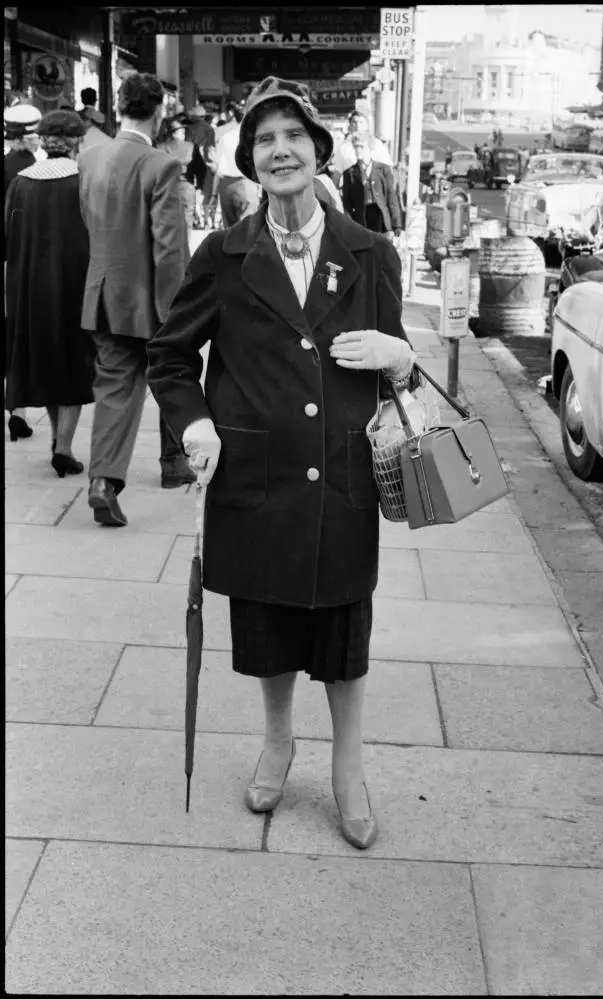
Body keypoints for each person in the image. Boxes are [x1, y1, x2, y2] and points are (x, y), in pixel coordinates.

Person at [146, 75, 418, 851]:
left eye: (293, 136)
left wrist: (398, 356)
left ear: (319, 150)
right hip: (256, 480)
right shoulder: (224, 256)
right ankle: (276, 742)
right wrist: (195, 424)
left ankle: (348, 767)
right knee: (263, 626)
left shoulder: (369, 253)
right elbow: (169, 357)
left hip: (341, 478)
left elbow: (405, 370)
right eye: (263, 141)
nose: (280, 151)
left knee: (342, 631)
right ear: (248, 162)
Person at [78, 72, 194, 527]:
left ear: (118, 106)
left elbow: (89, 222)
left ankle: (102, 480)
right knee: (173, 375)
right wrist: (176, 310)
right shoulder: (159, 164)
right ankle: (175, 463)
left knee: (113, 388)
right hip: (146, 300)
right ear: (160, 111)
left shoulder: (90, 158)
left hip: (101, 291)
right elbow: (169, 247)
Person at [5, 110, 95, 474]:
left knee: (45, 361)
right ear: (76, 142)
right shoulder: (84, 181)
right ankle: (64, 446)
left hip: (28, 289)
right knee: (73, 362)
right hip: (74, 286)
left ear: (41, 141)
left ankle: (60, 443)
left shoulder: (21, 183)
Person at [4, 102, 45, 442]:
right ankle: (17, 409)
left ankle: (16, 409)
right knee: (24, 337)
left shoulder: (5, 166)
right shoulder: (35, 172)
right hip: (26, 265)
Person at [341, 133, 403, 240]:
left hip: (381, 219)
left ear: (370, 148)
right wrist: (349, 225)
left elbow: (391, 197)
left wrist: (396, 224)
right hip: (361, 220)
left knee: (382, 252)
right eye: (355, 147)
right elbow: (347, 204)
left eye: (361, 146)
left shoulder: (384, 170)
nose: (358, 150)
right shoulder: (349, 173)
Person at [211, 100, 261, 228]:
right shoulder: (254, 138)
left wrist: (214, 194)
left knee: (229, 230)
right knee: (247, 229)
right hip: (246, 184)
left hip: (226, 186)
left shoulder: (225, 137)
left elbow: (217, 167)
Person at [157, 117, 196, 228]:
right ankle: (186, 244)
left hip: (167, 186)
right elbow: (200, 169)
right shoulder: (191, 147)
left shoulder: (160, 147)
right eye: (181, 132)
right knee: (187, 218)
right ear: (173, 134)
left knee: (168, 218)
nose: (184, 135)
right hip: (187, 185)